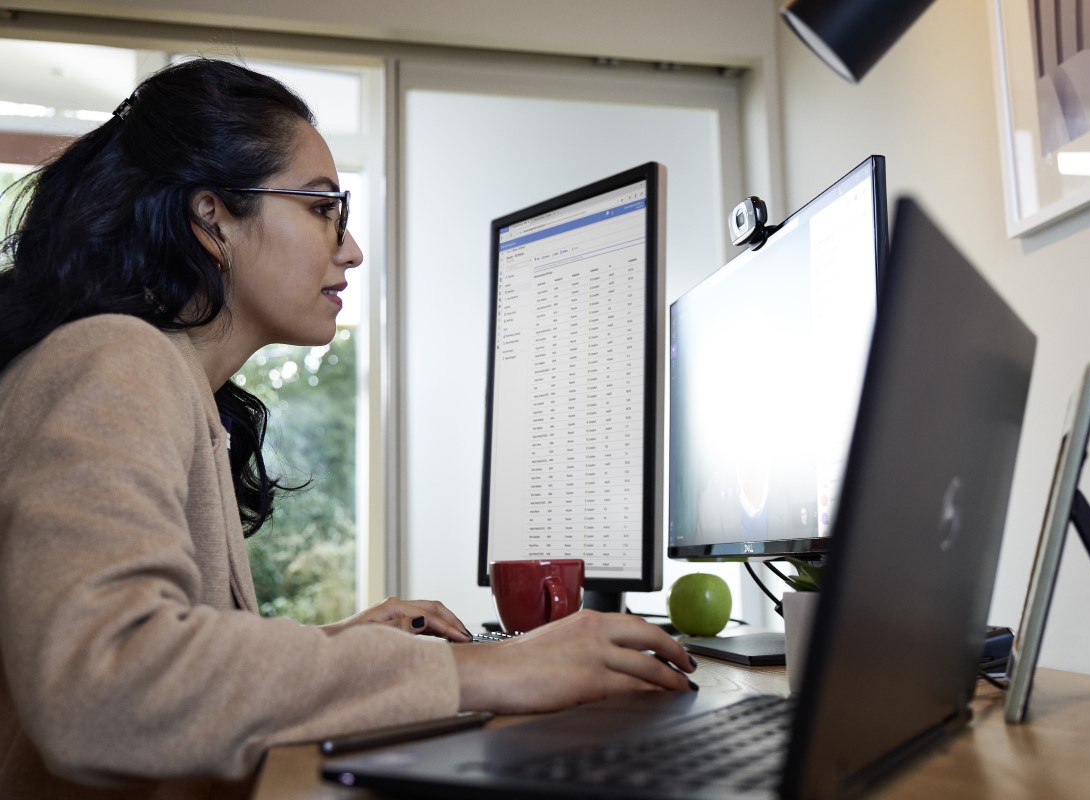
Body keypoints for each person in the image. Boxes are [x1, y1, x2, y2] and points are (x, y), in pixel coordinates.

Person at [0, 57, 694, 800]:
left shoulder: (175, 386)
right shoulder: (114, 359)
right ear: (213, 219)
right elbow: (105, 688)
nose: (351, 247)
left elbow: (158, 659)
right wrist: (483, 669)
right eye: (322, 206)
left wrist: (340, 647)